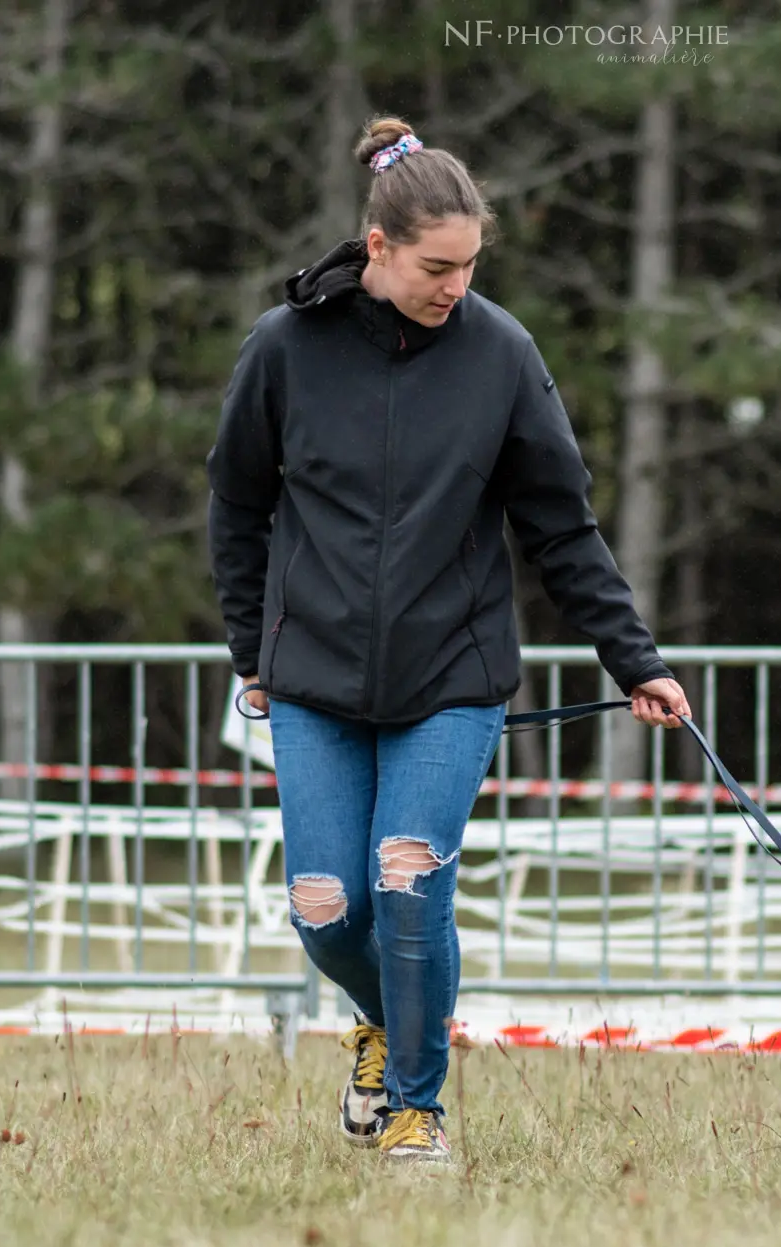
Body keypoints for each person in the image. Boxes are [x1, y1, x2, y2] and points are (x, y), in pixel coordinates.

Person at [205, 115, 690, 1166]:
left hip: (451, 676)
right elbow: (235, 505)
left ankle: (416, 1108)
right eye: (437, 266)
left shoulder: (501, 354)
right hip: (313, 679)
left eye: (470, 265)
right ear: (376, 248)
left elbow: (560, 524)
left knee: (407, 882)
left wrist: (634, 658)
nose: (455, 287)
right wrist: (253, 645)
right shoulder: (283, 349)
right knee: (327, 906)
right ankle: (382, 1022)